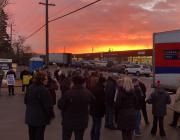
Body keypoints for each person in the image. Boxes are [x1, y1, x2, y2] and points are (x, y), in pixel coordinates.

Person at [58, 75, 93, 140]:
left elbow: (60, 105)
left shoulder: (68, 93)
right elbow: (93, 103)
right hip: (81, 121)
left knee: (66, 137)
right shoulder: (88, 93)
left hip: (68, 120)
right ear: (83, 83)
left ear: (73, 82)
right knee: (79, 137)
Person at [24, 70, 54, 140]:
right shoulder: (44, 90)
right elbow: (48, 105)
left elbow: (25, 101)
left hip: (30, 116)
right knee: (39, 136)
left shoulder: (30, 88)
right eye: (46, 78)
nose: (47, 80)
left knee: (32, 136)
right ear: (42, 80)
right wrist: (51, 116)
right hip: (40, 118)